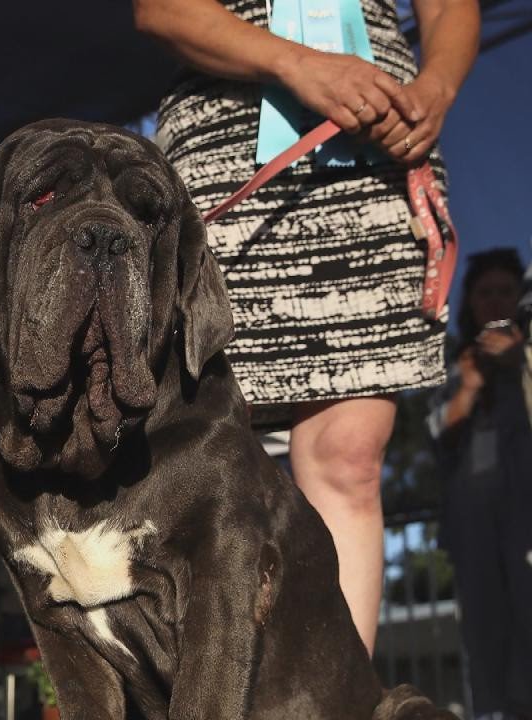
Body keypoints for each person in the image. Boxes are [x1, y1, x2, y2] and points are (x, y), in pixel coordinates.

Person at [134, 0, 480, 653]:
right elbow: (160, 9)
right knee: (213, 460)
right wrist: (297, 64)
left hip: (378, 145)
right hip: (230, 147)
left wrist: (436, 88)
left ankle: (338, 695)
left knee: (350, 458)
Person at [427, 248, 531, 720]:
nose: (494, 303)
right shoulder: (453, 366)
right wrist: (469, 385)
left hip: (524, 513)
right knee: (485, 630)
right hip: (474, 524)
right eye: (484, 293)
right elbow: (438, 435)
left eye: (505, 292)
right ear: (468, 301)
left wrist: (520, 364)